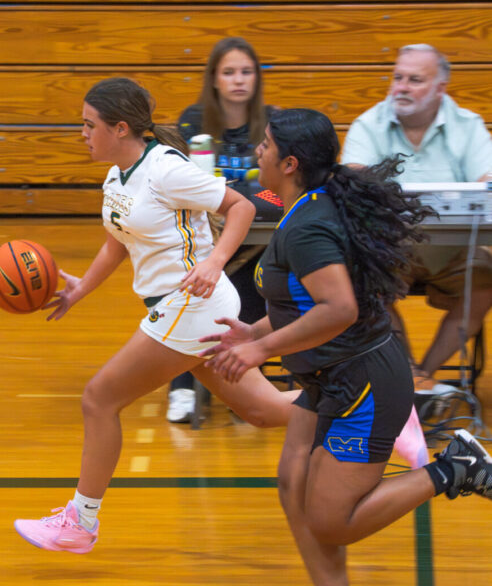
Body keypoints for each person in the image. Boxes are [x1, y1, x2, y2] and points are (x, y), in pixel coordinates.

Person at [203, 108, 492, 585]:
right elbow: (305, 301)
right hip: (328, 376)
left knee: (332, 522)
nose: (259, 150)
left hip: (363, 382)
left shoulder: (309, 225)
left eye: (267, 144)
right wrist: (253, 332)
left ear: (290, 163)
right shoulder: (307, 207)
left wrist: (262, 350)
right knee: (292, 483)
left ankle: (454, 469)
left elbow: (338, 309)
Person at [13, 77, 300, 554]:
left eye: (90, 125)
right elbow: (117, 241)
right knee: (262, 411)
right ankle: (376, 409)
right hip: (186, 310)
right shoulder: (115, 178)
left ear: (120, 128)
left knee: (98, 399)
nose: (83, 133)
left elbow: (241, 206)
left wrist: (213, 262)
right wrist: (81, 288)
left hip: (189, 307)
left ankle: (80, 523)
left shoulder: (167, 170)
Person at [341, 43, 492, 393]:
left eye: (414, 80)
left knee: (485, 282)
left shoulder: (467, 126)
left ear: (440, 88)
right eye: (397, 77)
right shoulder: (369, 123)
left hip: (454, 248)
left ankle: (425, 374)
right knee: (363, 279)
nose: (401, 87)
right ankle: (408, 374)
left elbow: (487, 183)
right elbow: (355, 181)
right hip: (389, 247)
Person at [168, 36, 278, 423]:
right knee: (183, 271)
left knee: (259, 274)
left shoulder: (272, 121)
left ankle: (244, 378)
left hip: (259, 229)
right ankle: (181, 383)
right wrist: (238, 194)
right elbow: (178, 180)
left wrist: (237, 196)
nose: (238, 80)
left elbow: (276, 190)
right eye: (229, 72)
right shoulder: (192, 122)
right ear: (214, 78)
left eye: (246, 72)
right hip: (203, 229)